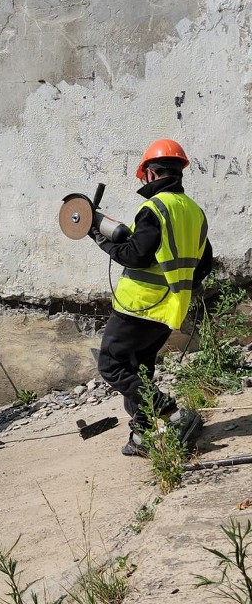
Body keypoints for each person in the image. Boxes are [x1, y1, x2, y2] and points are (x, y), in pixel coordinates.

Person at [90, 139, 212, 456]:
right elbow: (205, 262)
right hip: (171, 308)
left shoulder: (154, 209)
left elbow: (136, 256)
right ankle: (142, 439)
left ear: (150, 174)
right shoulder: (194, 212)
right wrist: (178, 284)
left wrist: (99, 238)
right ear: (178, 171)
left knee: (111, 365)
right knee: (139, 369)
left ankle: (174, 415)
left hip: (139, 306)